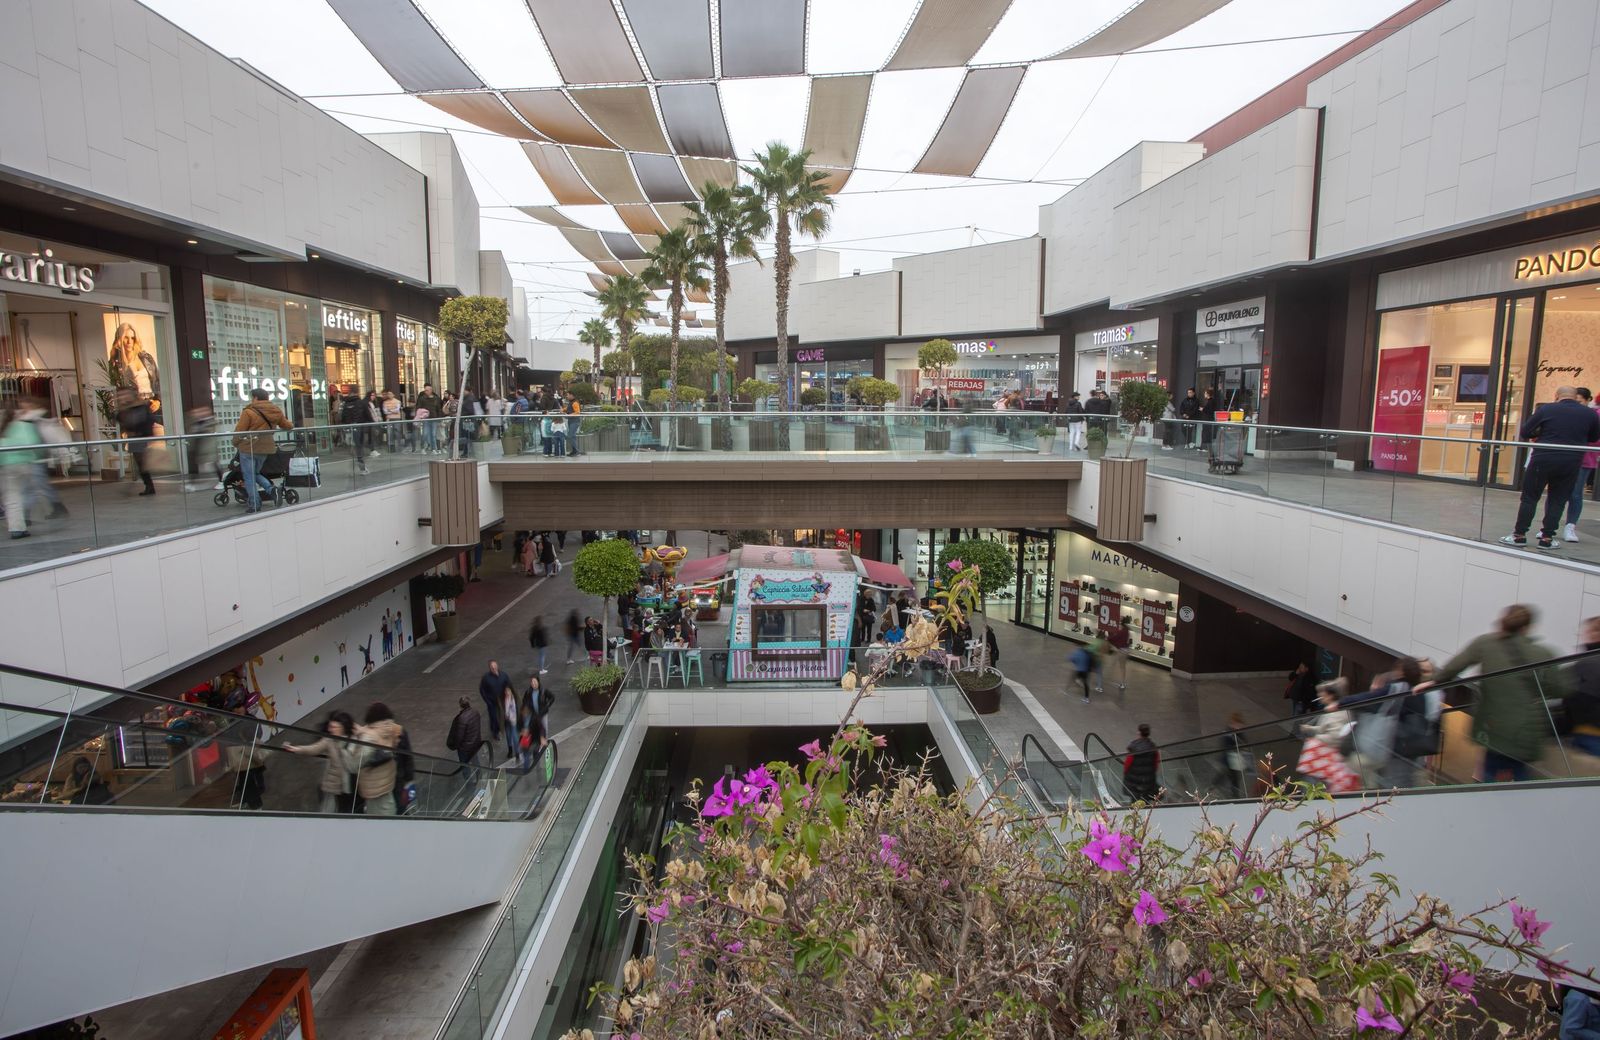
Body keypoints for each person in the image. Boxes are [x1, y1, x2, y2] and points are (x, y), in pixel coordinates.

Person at [1424, 604, 1568, 783]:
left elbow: (1453, 667)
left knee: (1492, 774)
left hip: (1495, 728)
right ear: (1528, 627)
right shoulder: (1543, 653)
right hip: (1526, 732)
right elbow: (1561, 688)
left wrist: (1431, 681)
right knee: (1519, 775)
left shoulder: (1485, 643)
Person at [1501, 386, 1600, 550]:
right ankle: (1547, 538)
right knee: (1558, 499)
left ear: (1557, 396)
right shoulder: (1589, 413)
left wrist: (1540, 434)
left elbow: (1526, 431)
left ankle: (1519, 535)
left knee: (1530, 497)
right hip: (1571, 460)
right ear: (1575, 397)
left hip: (1543, 458)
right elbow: (1594, 437)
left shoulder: (1547, 409)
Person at [231, 387, 292, 513]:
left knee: (249, 476)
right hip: (266, 448)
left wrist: (235, 442)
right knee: (255, 473)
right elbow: (288, 426)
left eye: (252, 397)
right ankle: (272, 490)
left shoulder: (249, 412)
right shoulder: (275, 410)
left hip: (249, 448)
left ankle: (254, 504)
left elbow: (240, 430)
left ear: (255, 398)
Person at [284, 711, 358, 813]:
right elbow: (314, 748)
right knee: (341, 808)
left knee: (352, 806)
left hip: (353, 781)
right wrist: (296, 749)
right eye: (330, 726)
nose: (329, 729)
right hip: (337, 783)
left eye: (333, 727)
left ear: (343, 728)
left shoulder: (355, 740)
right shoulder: (329, 740)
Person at [1561, 387, 1600, 542]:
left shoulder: (1593, 415)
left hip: (1584, 459)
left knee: (1575, 494)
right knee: (1558, 491)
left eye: (1579, 401)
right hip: (1564, 457)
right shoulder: (1567, 413)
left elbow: (1596, 438)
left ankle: (1570, 525)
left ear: (1588, 400)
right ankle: (1550, 525)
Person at [353, 702, 404, 815]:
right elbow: (356, 762)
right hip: (376, 789)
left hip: (385, 785)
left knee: (383, 812)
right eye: (386, 723)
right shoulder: (369, 738)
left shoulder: (385, 731)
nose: (389, 726)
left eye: (390, 723)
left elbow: (397, 730)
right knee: (384, 814)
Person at [0, 406, 43, 539]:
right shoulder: (24, 426)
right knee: (27, 492)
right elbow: (34, 443)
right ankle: (24, 518)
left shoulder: (3, 429)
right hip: (24, 464)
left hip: (6, 465)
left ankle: (16, 528)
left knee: (12, 497)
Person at [115, 387, 158, 496]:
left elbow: (140, 421)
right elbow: (122, 421)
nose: (123, 397)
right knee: (140, 462)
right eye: (120, 395)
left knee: (142, 462)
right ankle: (148, 485)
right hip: (134, 438)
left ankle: (149, 485)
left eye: (125, 394)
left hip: (141, 437)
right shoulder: (125, 409)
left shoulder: (140, 406)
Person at [1570, 616, 1600, 757]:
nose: (1585, 634)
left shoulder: (1588, 662)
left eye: (1590, 631)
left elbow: (1580, 700)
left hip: (1590, 734)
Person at [446, 697, 484, 779]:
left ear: (460, 705)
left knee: (464, 765)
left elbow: (459, 737)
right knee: (475, 760)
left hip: (464, 747)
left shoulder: (461, 718)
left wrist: (454, 746)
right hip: (475, 743)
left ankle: (469, 783)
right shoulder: (476, 712)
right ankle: (479, 776)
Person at [1123, 723, 1160, 803]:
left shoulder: (1133, 747)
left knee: (1134, 800)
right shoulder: (1153, 747)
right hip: (1148, 780)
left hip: (1134, 780)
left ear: (1139, 732)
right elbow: (1156, 764)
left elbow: (1127, 764)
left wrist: (1127, 774)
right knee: (1146, 799)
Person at [478, 661, 512, 746]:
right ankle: (495, 731)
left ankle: (502, 726)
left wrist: (507, 692)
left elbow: (508, 684)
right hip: (492, 701)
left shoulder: (503, 675)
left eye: (495, 666)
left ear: (497, 666)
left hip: (502, 700)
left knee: (503, 714)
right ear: (490, 668)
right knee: (493, 716)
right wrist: (487, 700)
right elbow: (482, 690)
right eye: (492, 667)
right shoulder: (486, 678)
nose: (494, 668)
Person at [1220, 713, 1250, 797]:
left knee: (1229, 775)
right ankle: (1235, 794)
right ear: (1234, 723)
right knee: (1232, 777)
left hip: (1235, 759)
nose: (1240, 726)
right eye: (1238, 724)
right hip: (1229, 758)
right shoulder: (1228, 732)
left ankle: (1233, 792)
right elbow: (1225, 745)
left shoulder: (1239, 732)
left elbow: (1244, 741)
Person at [415, 383, 442, 454]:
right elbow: (418, 408)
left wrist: (439, 418)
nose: (425, 391)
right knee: (425, 433)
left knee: (433, 434)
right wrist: (420, 416)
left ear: (431, 390)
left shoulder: (436, 398)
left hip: (434, 418)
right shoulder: (422, 398)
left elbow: (438, 409)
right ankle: (423, 447)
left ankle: (433, 448)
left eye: (427, 390)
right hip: (426, 418)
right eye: (425, 390)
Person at [500, 680, 519, 761]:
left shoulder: (514, 699)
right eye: (506, 691)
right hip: (506, 720)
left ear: (511, 691)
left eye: (508, 691)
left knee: (514, 736)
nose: (507, 692)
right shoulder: (503, 699)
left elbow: (517, 709)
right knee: (508, 735)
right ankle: (510, 750)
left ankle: (517, 752)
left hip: (513, 720)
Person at [564, 390, 583, 455]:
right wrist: (563, 410)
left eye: (568, 395)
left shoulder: (575, 403)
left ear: (572, 395)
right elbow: (568, 408)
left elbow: (577, 412)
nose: (567, 396)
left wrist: (568, 415)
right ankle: (574, 451)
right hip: (571, 421)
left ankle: (576, 451)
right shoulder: (571, 402)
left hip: (575, 421)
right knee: (572, 436)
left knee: (571, 435)